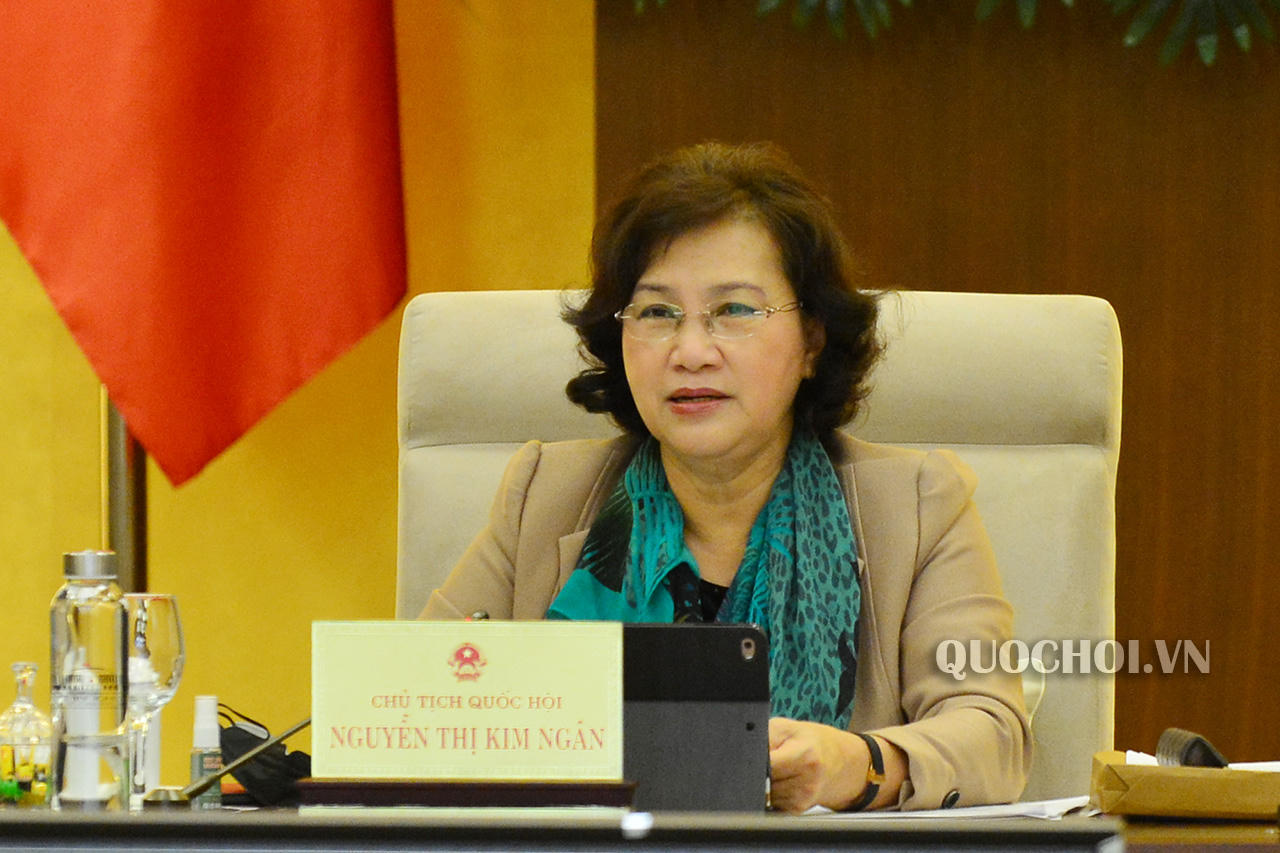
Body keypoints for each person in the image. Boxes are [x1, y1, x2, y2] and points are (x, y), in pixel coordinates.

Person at [420, 141, 1030, 811]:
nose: (690, 351)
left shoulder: (914, 507)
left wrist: (855, 763)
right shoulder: (545, 494)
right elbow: (416, 703)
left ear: (812, 340)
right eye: (657, 313)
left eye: (734, 311)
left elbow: (993, 735)